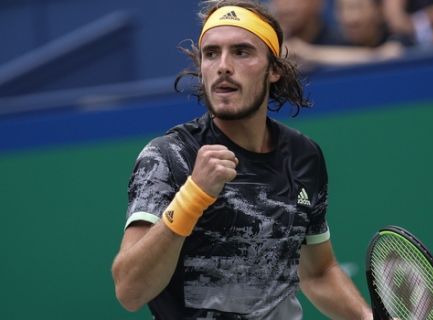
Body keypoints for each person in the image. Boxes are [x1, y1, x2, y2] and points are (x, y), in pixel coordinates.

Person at [112, 1, 373, 319]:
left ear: (274, 69)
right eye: (211, 53)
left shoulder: (304, 156)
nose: (223, 66)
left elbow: (317, 272)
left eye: (241, 52)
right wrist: (192, 197)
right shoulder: (168, 156)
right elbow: (130, 291)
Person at [270, 0, 403, 71]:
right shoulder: (343, 42)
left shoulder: (397, 38)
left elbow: (389, 54)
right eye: (342, 9)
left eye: (357, 7)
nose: (350, 18)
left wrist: (309, 53)